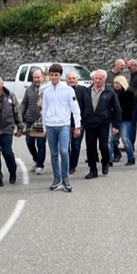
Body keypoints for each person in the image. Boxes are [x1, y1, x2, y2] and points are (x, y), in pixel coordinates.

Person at [42, 64, 81, 192]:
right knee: (53, 153)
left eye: (56, 75)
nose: (54, 77)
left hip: (64, 125)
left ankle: (65, 178)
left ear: (60, 75)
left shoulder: (68, 90)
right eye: (52, 75)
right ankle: (56, 178)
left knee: (64, 151)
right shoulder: (46, 91)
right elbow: (45, 109)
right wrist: (44, 128)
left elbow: (75, 109)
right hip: (50, 126)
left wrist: (77, 125)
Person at [79, 70, 121, 179]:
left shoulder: (110, 92)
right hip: (89, 123)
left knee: (103, 146)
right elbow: (82, 108)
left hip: (103, 123)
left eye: (100, 79)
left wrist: (116, 126)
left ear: (105, 80)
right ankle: (93, 170)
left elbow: (117, 109)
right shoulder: (86, 91)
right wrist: (80, 122)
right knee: (90, 148)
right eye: (95, 78)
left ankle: (105, 162)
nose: (97, 81)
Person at [21, 69, 46, 175]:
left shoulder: (47, 89)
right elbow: (23, 104)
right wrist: (19, 116)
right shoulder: (29, 90)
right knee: (29, 142)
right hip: (30, 120)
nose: (36, 79)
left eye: (38, 77)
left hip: (42, 121)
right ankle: (36, 159)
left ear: (43, 77)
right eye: (34, 77)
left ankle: (40, 166)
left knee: (41, 144)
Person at [109, 75, 136, 166]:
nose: (115, 85)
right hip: (113, 119)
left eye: (117, 83)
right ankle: (110, 160)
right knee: (110, 140)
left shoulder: (129, 93)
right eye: (115, 83)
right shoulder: (112, 93)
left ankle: (131, 158)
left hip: (125, 118)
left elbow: (131, 107)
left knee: (125, 139)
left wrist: (118, 109)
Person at [66, 71, 87, 175]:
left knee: (75, 145)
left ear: (77, 79)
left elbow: (86, 106)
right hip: (65, 123)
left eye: (73, 78)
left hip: (78, 123)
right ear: (66, 80)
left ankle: (72, 165)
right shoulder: (63, 90)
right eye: (70, 78)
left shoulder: (82, 90)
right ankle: (67, 163)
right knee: (65, 146)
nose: (72, 80)